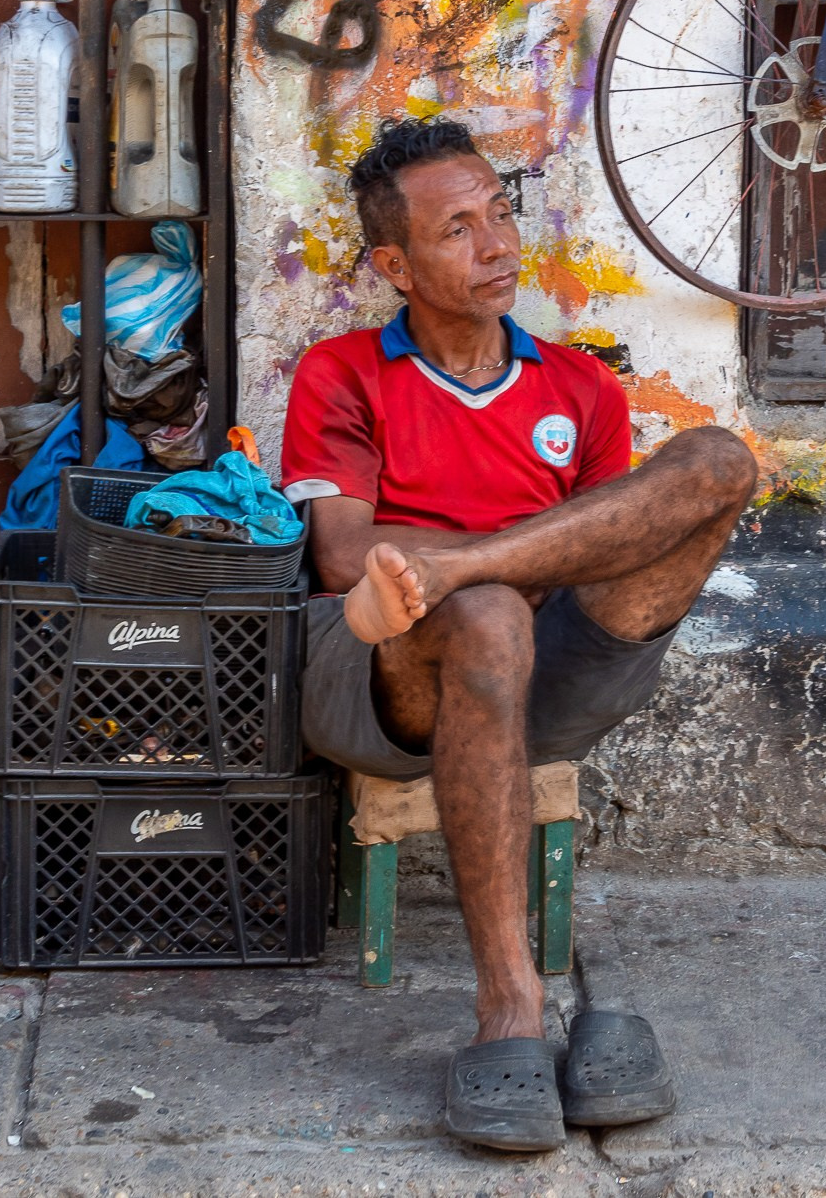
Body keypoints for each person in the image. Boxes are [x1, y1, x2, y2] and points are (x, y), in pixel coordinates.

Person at [280, 117, 758, 1151]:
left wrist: (461, 552)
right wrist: (475, 577)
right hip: (385, 682)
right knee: (487, 612)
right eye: (458, 229)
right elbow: (340, 555)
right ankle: (510, 1007)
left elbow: (605, 551)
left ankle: (470, 577)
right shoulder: (343, 372)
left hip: (554, 675)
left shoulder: (575, 386)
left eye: (500, 213)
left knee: (717, 458)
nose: (497, 245)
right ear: (395, 265)